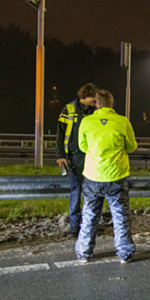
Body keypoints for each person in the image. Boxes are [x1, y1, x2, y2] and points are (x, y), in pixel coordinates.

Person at [75, 89, 137, 263]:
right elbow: (131, 147)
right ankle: (124, 254)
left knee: (89, 216)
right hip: (116, 175)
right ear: (113, 104)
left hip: (93, 176)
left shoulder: (87, 121)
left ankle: (84, 253)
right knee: (120, 216)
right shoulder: (122, 121)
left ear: (96, 104)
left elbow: (82, 146)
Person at [55, 83, 98, 238]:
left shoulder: (95, 111)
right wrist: (60, 155)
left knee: (91, 191)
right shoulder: (69, 109)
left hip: (90, 156)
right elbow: (60, 133)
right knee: (76, 190)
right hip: (74, 156)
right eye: (94, 97)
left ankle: (88, 223)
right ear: (85, 96)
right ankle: (74, 225)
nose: (96, 100)